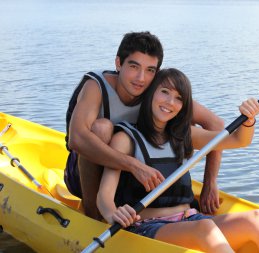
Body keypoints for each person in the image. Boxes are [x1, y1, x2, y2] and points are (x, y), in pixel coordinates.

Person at [97, 68, 259, 253]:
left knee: (257, 219)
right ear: (150, 93)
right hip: (148, 227)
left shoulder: (184, 134)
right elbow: (104, 197)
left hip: (191, 219)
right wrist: (113, 214)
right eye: (164, 92)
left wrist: (249, 119)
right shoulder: (125, 139)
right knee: (205, 227)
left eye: (178, 98)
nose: (170, 102)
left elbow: (238, 140)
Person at [64, 32, 224, 220]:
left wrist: (210, 182)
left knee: (181, 119)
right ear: (118, 63)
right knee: (102, 128)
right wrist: (133, 166)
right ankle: (94, 216)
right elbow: (77, 139)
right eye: (134, 66)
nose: (141, 78)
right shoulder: (96, 86)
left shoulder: (156, 90)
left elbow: (215, 125)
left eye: (150, 70)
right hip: (85, 176)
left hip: (132, 180)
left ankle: (169, 208)